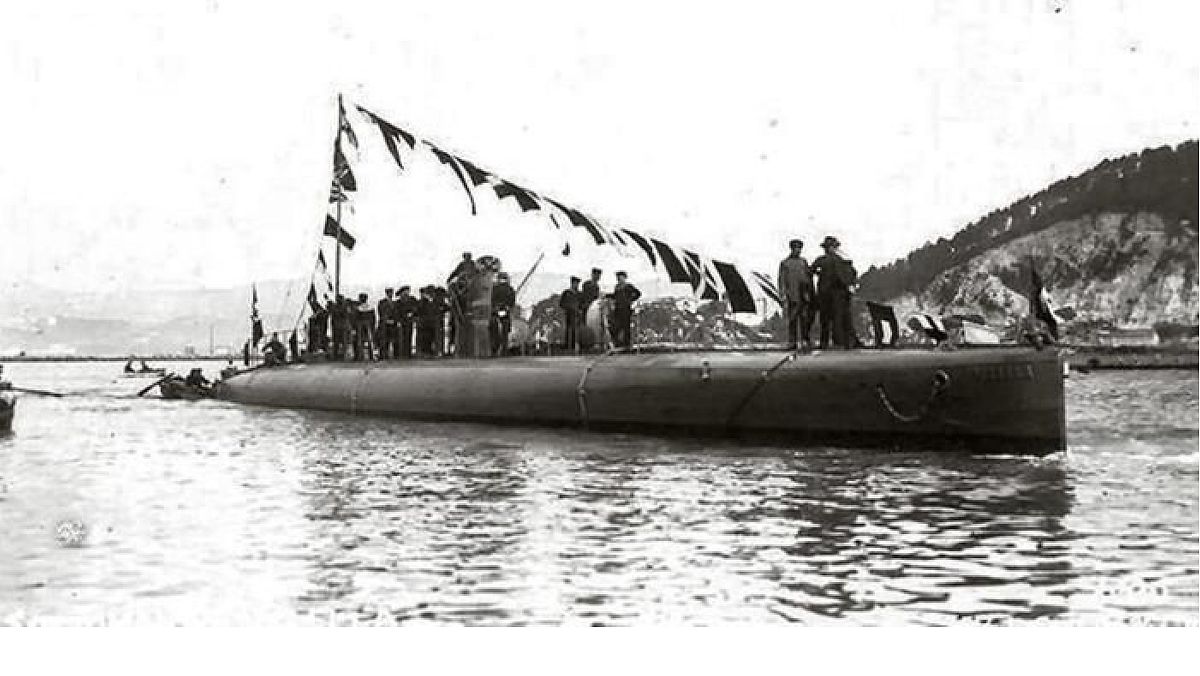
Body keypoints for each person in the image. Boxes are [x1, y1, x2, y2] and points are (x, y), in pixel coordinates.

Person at [810, 236, 858, 349]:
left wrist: (818, 273)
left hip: (830, 294)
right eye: (828, 247)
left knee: (829, 319)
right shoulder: (840, 260)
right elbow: (852, 274)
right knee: (833, 318)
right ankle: (836, 342)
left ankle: (828, 342)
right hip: (834, 295)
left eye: (830, 247)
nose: (829, 249)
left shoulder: (825, 260)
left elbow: (811, 271)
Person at [777, 238, 816, 351]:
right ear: (792, 249)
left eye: (799, 248)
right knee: (793, 320)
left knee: (805, 320)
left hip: (804, 295)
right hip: (792, 296)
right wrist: (783, 294)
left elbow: (808, 278)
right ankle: (792, 342)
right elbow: (782, 280)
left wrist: (810, 293)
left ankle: (805, 341)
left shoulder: (803, 262)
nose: (798, 250)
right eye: (796, 248)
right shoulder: (785, 263)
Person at [606, 271, 642, 349]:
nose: (619, 278)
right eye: (618, 277)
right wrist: (607, 295)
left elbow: (638, 293)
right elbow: (615, 296)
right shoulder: (617, 287)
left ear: (624, 277)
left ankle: (627, 344)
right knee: (616, 326)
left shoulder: (628, 286)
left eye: (620, 277)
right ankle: (618, 343)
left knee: (626, 327)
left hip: (626, 309)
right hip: (618, 309)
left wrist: (630, 300)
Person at [490, 271, 517, 356]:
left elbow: (492, 299)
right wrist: (508, 307)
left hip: (497, 310)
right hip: (505, 310)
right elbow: (512, 301)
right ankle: (504, 350)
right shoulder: (510, 289)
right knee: (505, 331)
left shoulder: (495, 288)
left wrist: (495, 307)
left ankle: (495, 349)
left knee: (494, 331)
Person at [559, 276, 582, 353]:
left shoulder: (579, 294)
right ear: (572, 283)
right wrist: (568, 307)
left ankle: (574, 345)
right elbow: (561, 303)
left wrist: (579, 309)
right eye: (575, 283)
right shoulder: (566, 293)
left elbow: (581, 303)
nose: (576, 285)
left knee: (576, 330)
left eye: (577, 284)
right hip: (569, 313)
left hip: (577, 314)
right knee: (568, 330)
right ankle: (567, 345)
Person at [395, 286, 418, 358]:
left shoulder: (412, 299)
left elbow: (416, 308)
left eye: (408, 291)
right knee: (401, 338)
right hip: (402, 321)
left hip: (409, 321)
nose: (407, 293)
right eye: (405, 291)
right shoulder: (398, 302)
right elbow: (396, 312)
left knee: (409, 337)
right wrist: (399, 320)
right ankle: (401, 353)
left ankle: (408, 353)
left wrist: (412, 313)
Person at [354, 293, 376, 361]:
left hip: (364, 326)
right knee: (366, 341)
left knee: (364, 341)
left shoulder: (359, 308)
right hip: (365, 326)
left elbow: (355, 318)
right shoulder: (369, 308)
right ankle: (370, 356)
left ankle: (363, 356)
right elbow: (373, 318)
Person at [376, 288, 397, 359]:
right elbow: (381, 312)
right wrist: (386, 320)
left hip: (392, 324)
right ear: (387, 293)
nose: (391, 294)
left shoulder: (394, 303)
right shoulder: (382, 302)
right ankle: (383, 355)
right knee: (384, 340)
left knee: (392, 339)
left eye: (391, 293)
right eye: (389, 293)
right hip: (384, 324)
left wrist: (394, 320)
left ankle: (391, 354)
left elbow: (396, 313)